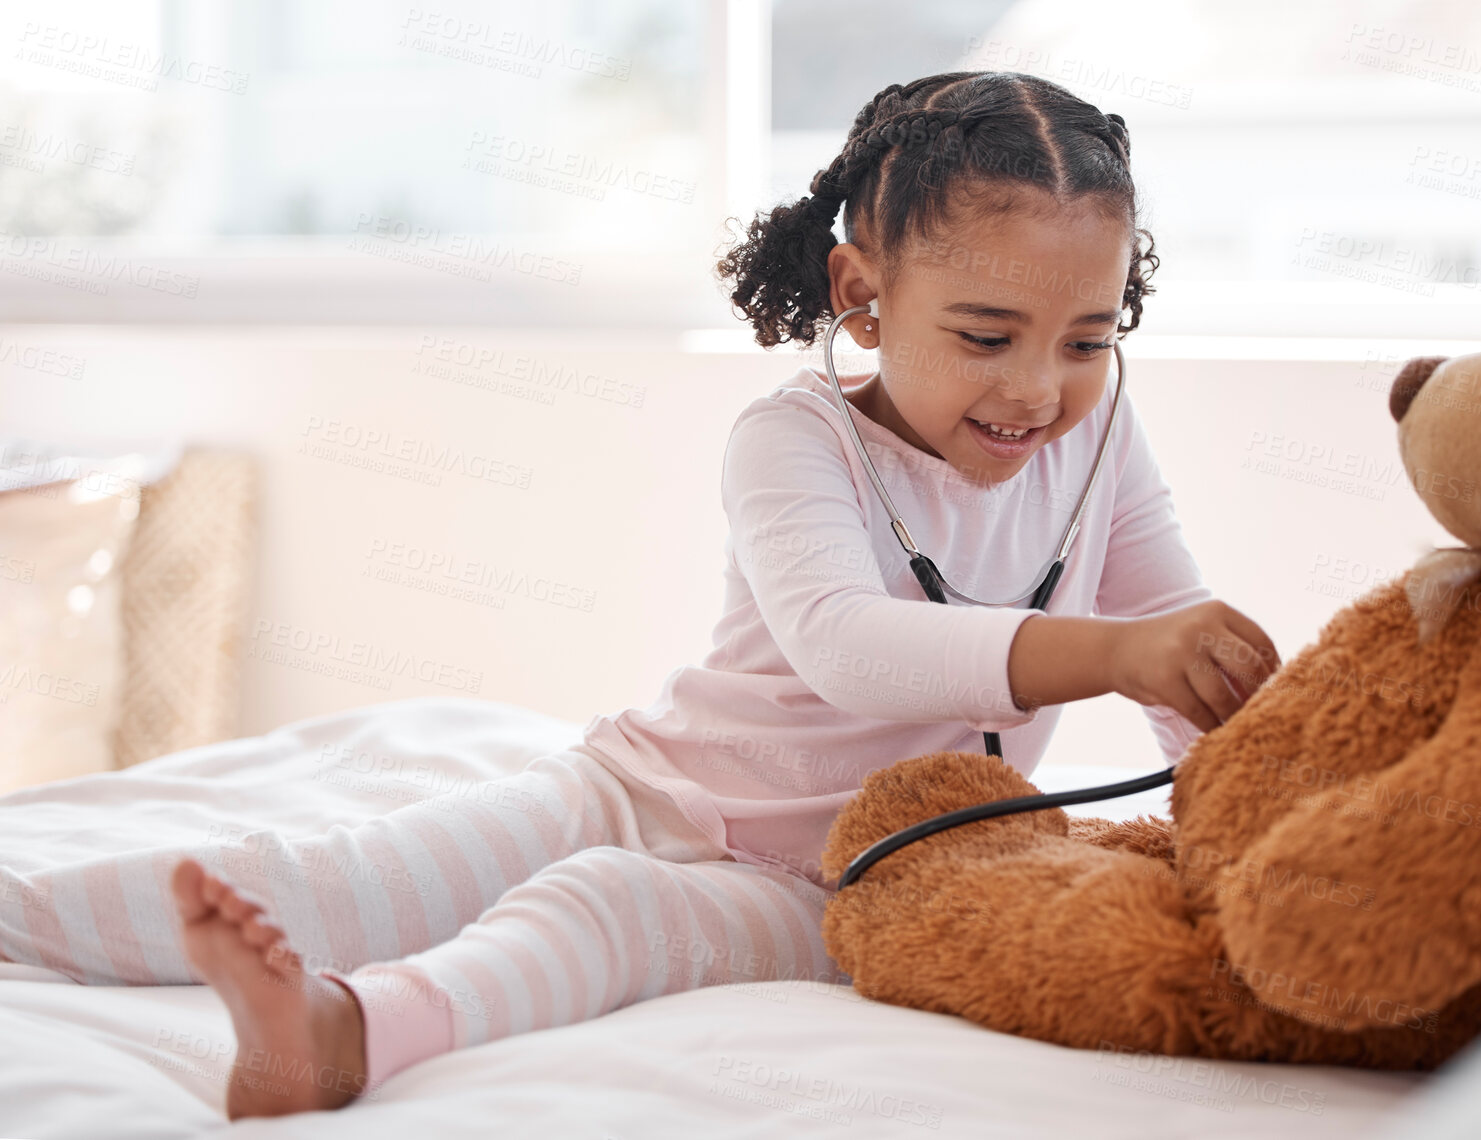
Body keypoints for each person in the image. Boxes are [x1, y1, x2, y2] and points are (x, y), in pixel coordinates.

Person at [0, 69, 1279, 1118]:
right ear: (863, 299)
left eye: (1090, 341)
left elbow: (1183, 672)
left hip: (844, 875)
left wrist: (1243, 810)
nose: (1037, 390)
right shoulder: (793, 440)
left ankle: (340, 1033)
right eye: (988, 336)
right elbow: (849, 646)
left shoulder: (1101, 443)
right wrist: (1114, 651)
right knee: (345, 875)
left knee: (603, 916)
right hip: (646, 779)